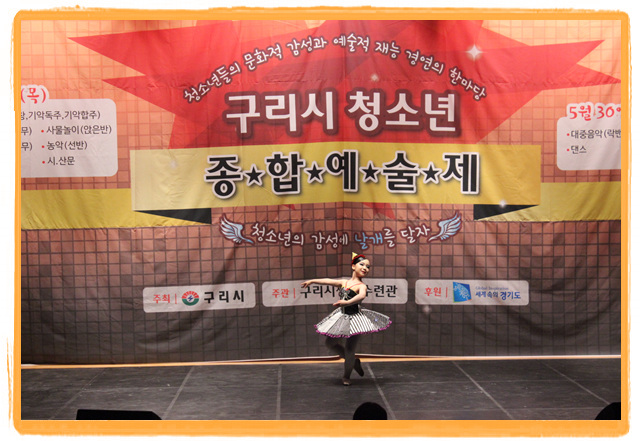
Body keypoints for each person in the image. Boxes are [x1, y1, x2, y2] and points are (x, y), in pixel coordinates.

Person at [301, 253, 391, 386]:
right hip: (342, 316)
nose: (365, 268)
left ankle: (346, 375)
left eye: (368, 266)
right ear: (353, 266)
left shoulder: (362, 286)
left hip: (356, 319)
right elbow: (328, 281)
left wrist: (347, 302)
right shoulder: (344, 282)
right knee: (330, 343)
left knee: (350, 349)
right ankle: (353, 362)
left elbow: (361, 296)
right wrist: (313, 281)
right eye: (362, 264)